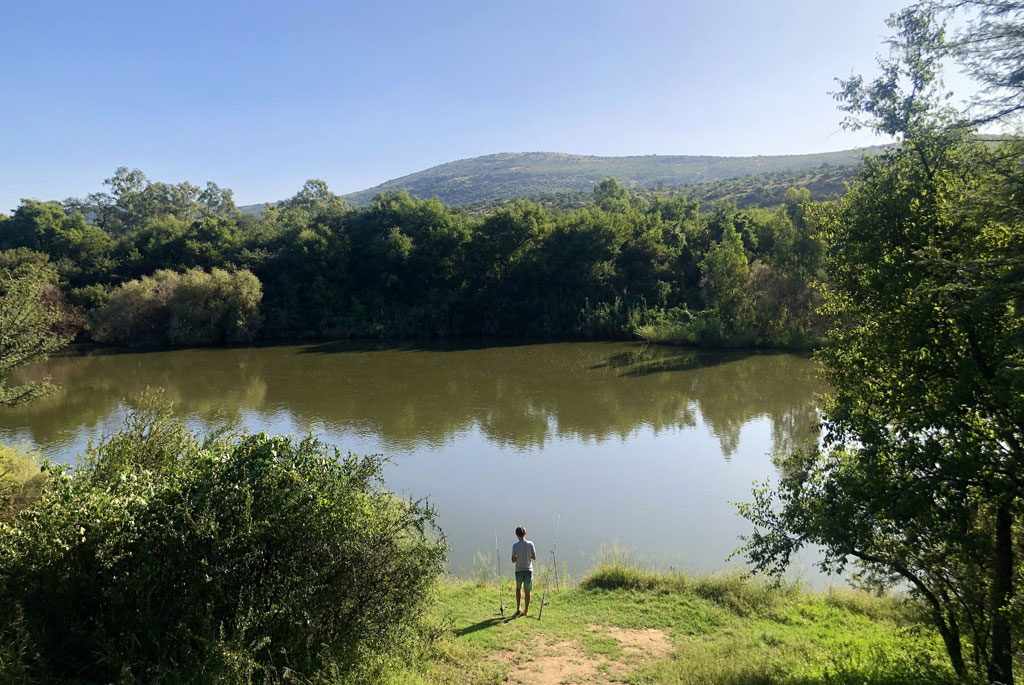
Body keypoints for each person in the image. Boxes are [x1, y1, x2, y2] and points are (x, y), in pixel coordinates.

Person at [511, 525, 537, 617]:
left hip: (518, 570)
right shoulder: (530, 544)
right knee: (527, 591)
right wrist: (528, 556)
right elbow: (534, 557)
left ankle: (518, 608)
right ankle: (525, 610)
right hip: (528, 570)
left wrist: (517, 557)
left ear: (517, 535)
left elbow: (513, 560)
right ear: (525, 534)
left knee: (518, 588)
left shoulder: (515, 546)